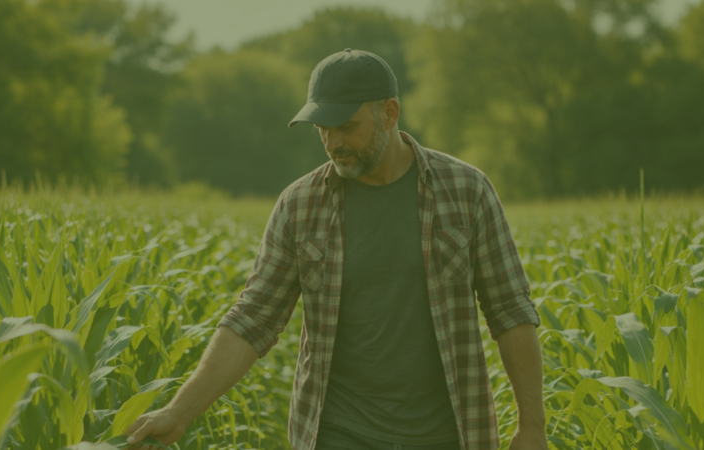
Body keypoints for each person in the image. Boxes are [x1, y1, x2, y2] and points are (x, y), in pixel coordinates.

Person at [123, 49, 547, 450]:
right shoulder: (301, 205)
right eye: (322, 128)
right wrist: (179, 411)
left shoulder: (466, 191)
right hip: (339, 431)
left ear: (390, 113)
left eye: (346, 126)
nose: (332, 142)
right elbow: (253, 319)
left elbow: (510, 310)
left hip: (448, 431)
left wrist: (532, 428)